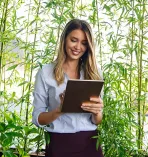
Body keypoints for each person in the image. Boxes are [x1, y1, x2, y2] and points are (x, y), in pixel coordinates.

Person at [32, 19, 104, 157]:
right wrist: (59, 110)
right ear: (64, 39)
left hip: (90, 143)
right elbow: (38, 118)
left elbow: (97, 120)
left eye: (83, 43)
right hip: (59, 143)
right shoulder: (45, 73)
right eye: (74, 40)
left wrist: (97, 112)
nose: (78, 47)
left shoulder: (94, 73)